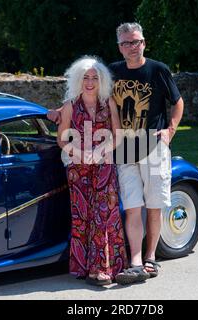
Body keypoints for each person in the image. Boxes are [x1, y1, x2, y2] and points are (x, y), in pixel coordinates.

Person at [108, 22, 184, 285]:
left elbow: (178, 102)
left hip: (152, 144)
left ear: (144, 43)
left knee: (153, 204)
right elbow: (89, 93)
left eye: (137, 41)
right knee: (131, 206)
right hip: (125, 145)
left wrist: (170, 131)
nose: (133, 47)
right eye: (127, 43)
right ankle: (135, 262)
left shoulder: (158, 69)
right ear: (120, 47)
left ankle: (150, 258)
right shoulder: (112, 72)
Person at [56, 56, 128, 286]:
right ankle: (84, 268)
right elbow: (61, 139)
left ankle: (105, 268)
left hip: (104, 165)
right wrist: (76, 152)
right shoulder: (69, 106)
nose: (90, 82)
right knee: (82, 218)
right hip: (78, 169)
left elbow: (117, 136)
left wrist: (102, 151)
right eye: (85, 77)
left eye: (94, 78)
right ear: (78, 79)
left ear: (101, 80)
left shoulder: (108, 103)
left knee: (104, 216)